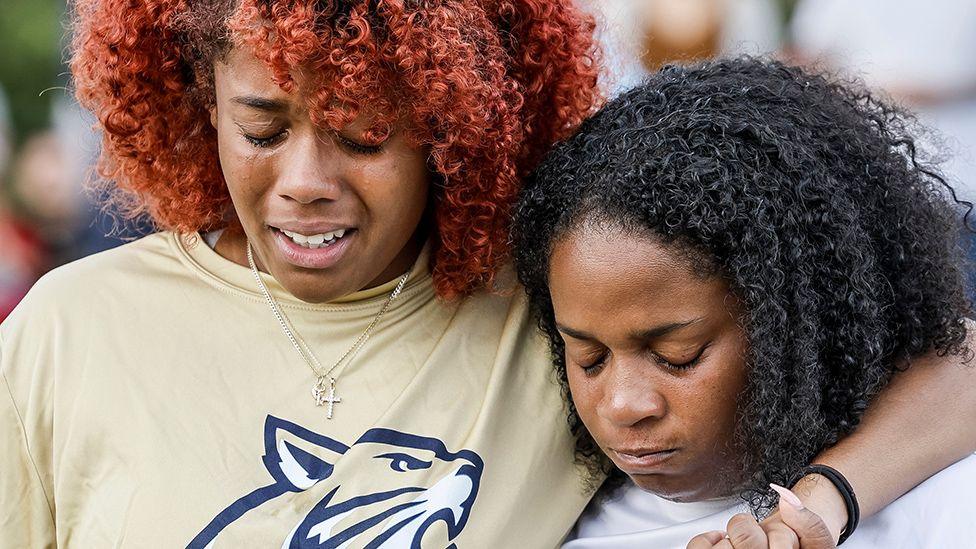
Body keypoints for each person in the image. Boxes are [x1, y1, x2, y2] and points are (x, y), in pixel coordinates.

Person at [0, 1, 973, 545]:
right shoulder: (70, 329)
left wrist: (820, 508)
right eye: (260, 127)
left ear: (451, 127)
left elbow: (953, 364)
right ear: (194, 103)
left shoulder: (541, 311)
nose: (303, 183)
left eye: (365, 135)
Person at [512, 57, 976, 548]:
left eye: (678, 356)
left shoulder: (943, 507)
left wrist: (822, 500)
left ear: (801, 325)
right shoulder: (557, 516)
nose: (623, 405)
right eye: (590, 359)